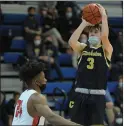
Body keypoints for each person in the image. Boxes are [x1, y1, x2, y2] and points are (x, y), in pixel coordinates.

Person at [68, 4, 113, 125]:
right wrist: (83, 23)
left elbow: (104, 36)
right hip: (80, 93)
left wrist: (103, 16)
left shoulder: (106, 49)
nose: (92, 33)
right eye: (91, 32)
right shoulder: (83, 48)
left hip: (97, 95)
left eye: (96, 32)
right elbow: (72, 41)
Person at [12, 60, 81, 125]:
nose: (46, 80)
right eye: (43, 78)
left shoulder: (23, 95)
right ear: (36, 82)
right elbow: (52, 117)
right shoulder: (36, 97)